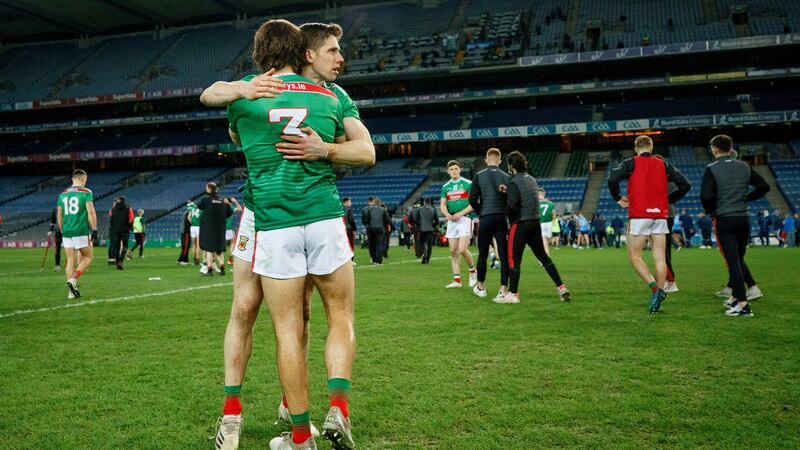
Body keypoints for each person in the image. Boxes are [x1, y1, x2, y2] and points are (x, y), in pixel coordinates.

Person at [204, 20, 376, 450]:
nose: (341, 58)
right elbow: (367, 152)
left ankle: (295, 420)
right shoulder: (326, 98)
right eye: (334, 50)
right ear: (306, 53)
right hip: (295, 216)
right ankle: (236, 415)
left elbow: (213, 101)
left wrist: (243, 93)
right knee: (251, 307)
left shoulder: (323, 93)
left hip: (275, 220)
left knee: (290, 320)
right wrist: (244, 90)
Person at [608, 135, 691, 314]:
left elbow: (612, 178)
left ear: (636, 148)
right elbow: (685, 184)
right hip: (660, 216)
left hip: (639, 215)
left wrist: (617, 198)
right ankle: (659, 294)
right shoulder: (663, 164)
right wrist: (667, 200)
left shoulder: (631, 163)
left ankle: (655, 290)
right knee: (661, 259)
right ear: (651, 147)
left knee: (635, 256)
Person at [701, 134, 770, 316]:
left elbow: (706, 196)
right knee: (738, 260)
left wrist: (712, 210)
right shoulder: (744, 165)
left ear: (714, 149)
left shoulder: (711, 168)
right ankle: (735, 297)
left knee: (732, 262)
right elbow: (764, 187)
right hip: (743, 218)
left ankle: (743, 305)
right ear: (730, 148)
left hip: (724, 219)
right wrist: (746, 198)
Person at [494, 151, 570, 304]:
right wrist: (509, 192)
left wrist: (504, 195)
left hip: (520, 224)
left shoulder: (514, 181)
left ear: (511, 165)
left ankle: (513, 295)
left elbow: (512, 206)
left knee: (513, 260)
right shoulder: (532, 180)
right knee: (544, 257)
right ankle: (561, 287)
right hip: (535, 223)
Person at [468, 148, 510, 298]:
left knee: (483, 254)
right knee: (504, 255)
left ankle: (481, 287)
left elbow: (472, 199)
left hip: (486, 217)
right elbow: (511, 199)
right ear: (499, 160)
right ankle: (503, 289)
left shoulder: (479, 176)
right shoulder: (507, 176)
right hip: (501, 218)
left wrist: (481, 211)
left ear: (486, 160)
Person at [57, 169, 97, 299]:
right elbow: (91, 212)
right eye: (85, 179)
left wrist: (63, 230)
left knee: (70, 260)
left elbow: (59, 216)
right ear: (82, 179)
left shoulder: (62, 194)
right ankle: (73, 280)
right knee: (88, 257)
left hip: (67, 231)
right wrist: (94, 229)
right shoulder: (86, 192)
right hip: (80, 230)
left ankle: (71, 293)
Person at [440, 160, 477, 289]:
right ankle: (457, 280)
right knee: (453, 251)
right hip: (452, 221)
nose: (454, 171)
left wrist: (461, 213)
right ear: (448, 171)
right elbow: (443, 205)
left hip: (465, 218)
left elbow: (474, 204)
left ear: (460, 170)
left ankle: (473, 271)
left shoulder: (468, 184)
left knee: (462, 249)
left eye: (456, 168)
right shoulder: (446, 187)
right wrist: (447, 215)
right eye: (451, 169)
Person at [198, 182, 232, 276]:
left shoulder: (206, 199)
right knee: (219, 250)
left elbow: (199, 206)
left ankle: (209, 270)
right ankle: (222, 269)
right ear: (216, 189)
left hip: (209, 228)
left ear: (209, 189)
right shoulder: (223, 200)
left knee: (209, 250)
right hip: (220, 228)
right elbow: (229, 213)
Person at [362, 197, 390, 264]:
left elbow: (367, 220)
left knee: (372, 245)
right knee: (379, 245)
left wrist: (369, 225)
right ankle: (378, 260)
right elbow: (387, 220)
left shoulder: (369, 209)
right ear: (379, 203)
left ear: (374, 202)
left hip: (371, 229)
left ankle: (374, 259)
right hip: (380, 229)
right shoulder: (383, 210)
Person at [109, 196, 134, 270]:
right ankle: (120, 261)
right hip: (125, 230)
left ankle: (117, 262)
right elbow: (131, 219)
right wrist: (129, 227)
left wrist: (113, 228)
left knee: (117, 247)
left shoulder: (112, 209)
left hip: (116, 231)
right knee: (125, 246)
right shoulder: (128, 208)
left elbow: (111, 220)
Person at [412, 197, 439, 263]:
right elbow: (437, 221)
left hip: (422, 229)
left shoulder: (420, 209)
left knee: (422, 244)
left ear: (424, 202)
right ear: (430, 202)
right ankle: (428, 259)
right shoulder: (433, 209)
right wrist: (432, 225)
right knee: (429, 245)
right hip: (430, 230)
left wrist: (419, 225)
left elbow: (415, 220)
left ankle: (424, 256)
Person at [225, 197, 243, 265]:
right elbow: (240, 209)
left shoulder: (220, 207)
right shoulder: (231, 208)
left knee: (216, 245)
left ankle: (211, 261)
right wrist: (235, 201)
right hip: (228, 228)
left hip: (221, 228)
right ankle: (230, 259)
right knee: (233, 243)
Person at [538, 188, 555, 256]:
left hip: (541, 223)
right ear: (544, 194)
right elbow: (554, 214)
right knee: (547, 242)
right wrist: (552, 222)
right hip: (549, 223)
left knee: (544, 242)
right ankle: (545, 256)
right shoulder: (551, 203)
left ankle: (545, 258)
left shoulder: (536, 203)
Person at [342, 197, 357, 263]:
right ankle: (351, 260)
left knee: (344, 245)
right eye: (350, 201)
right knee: (351, 245)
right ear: (346, 202)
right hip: (349, 229)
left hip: (342, 229)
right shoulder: (349, 210)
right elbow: (351, 220)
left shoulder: (341, 210)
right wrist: (354, 228)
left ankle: (345, 260)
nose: (351, 203)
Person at [48, 206, 63, 271]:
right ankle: (57, 265)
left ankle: (72, 265)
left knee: (72, 249)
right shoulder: (56, 209)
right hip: (58, 231)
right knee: (57, 249)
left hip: (68, 230)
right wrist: (50, 230)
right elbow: (53, 221)